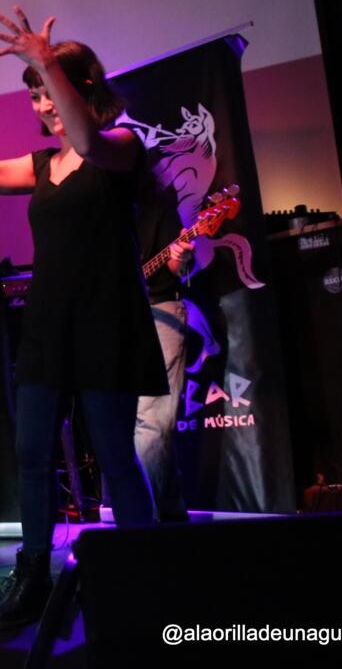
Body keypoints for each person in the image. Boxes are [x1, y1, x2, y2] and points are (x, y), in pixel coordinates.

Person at [0, 7, 165, 630]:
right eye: (34, 95)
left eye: (49, 90)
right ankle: (33, 575)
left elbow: (88, 142)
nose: (43, 104)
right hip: (48, 327)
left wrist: (47, 61)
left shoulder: (122, 145)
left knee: (114, 454)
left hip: (106, 322)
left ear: (84, 87)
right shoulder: (41, 166)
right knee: (32, 453)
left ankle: (144, 574)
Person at [133, 185, 194, 523]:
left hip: (160, 310)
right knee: (133, 419)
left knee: (152, 419)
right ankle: (169, 509)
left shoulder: (155, 202)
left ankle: (148, 516)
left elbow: (174, 265)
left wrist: (180, 256)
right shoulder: (98, 205)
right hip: (117, 319)